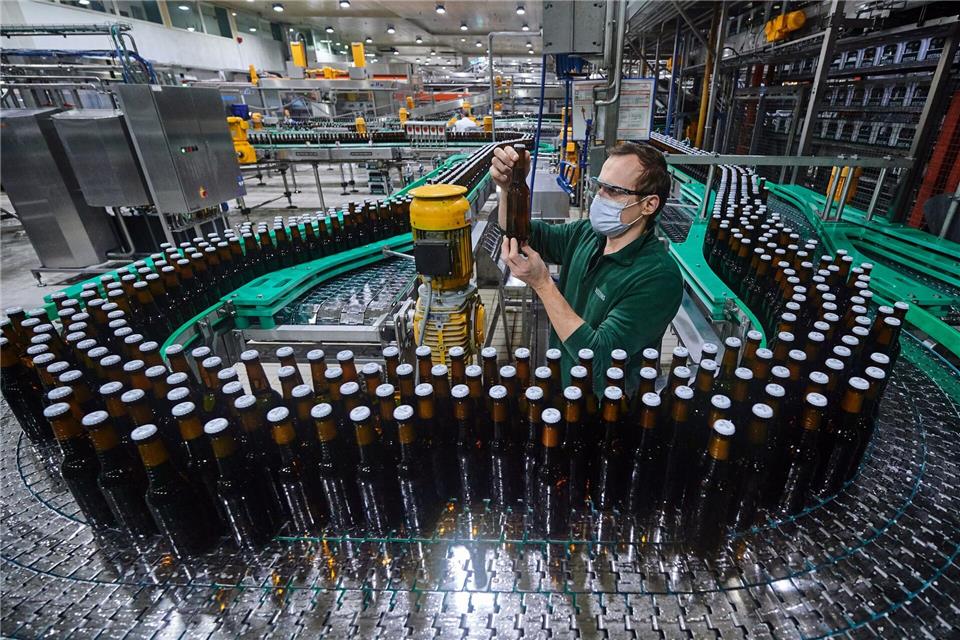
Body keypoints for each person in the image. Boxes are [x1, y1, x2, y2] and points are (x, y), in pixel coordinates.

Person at [491, 141, 682, 394]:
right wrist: (509, 189)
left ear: (649, 204)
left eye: (612, 191)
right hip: (562, 382)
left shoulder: (658, 277)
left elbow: (599, 357)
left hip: (605, 405)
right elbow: (521, 232)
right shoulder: (588, 234)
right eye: (599, 186)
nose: (599, 197)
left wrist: (543, 284)